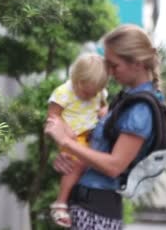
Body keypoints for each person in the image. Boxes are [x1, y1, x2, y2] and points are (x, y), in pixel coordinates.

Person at [45, 24, 162, 230]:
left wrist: (66, 142)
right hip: (86, 207)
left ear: (137, 63)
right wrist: (69, 156)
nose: (109, 72)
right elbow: (97, 150)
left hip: (97, 214)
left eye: (114, 65)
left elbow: (114, 166)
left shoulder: (140, 108)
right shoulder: (125, 98)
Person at [48, 53, 109, 228]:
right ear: (77, 80)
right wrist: (65, 130)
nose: (92, 95)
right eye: (87, 92)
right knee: (78, 165)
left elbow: (104, 106)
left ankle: (76, 202)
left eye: (96, 92)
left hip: (93, 134)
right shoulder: (63, 93)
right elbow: (52, 116)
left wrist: (104, 111)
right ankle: (60, 203)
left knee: (92, 166)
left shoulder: (98, 92)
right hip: (73, 136)